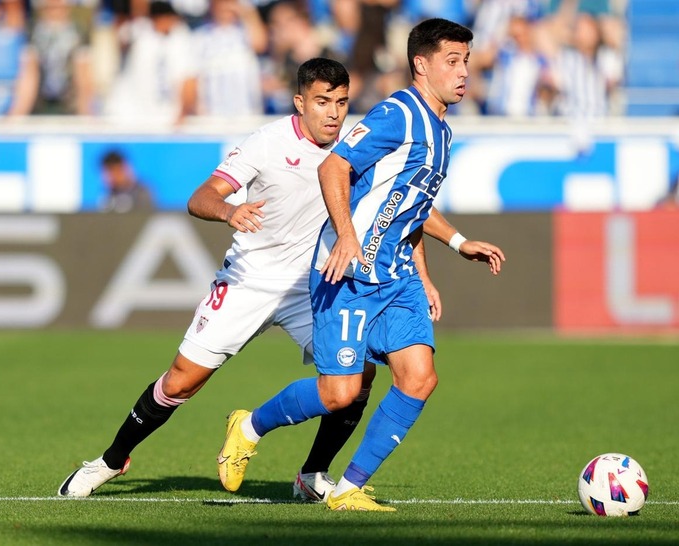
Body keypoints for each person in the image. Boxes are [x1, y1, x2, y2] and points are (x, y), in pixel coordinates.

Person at [58, 57, 494, 501]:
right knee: (181, 381)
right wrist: (231, 210)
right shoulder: (267, 144)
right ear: (300, 102)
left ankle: (313, 474)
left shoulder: (355, 145)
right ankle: (111, 461)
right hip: (251, 279)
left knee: (357, 377)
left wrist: (449, 248)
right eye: (322, 102)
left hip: (315, 281)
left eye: (341, 102)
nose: (333, 113)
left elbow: (405, 206)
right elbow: (201, 197)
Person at [216, 18, 505, 512]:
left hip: (396, 276)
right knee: (339, 394)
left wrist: (455, 245)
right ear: (421, 64)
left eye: (466, 61)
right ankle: (249, 426)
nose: (463, 73)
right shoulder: (398, 113)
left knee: (420, 378)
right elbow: (334, 166)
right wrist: (348, 237)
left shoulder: (441, 130)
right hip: (347, 274)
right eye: (452, 61)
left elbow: (408, 206)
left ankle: (347, 489)